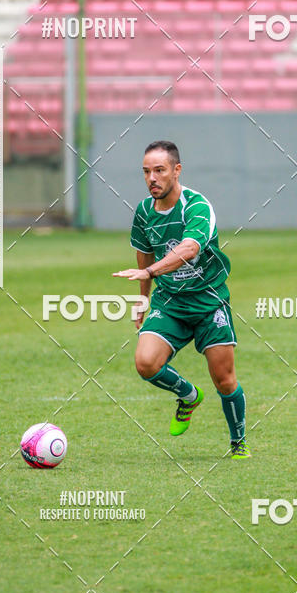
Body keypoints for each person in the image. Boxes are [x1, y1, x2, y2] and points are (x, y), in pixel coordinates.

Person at [113, 140, 250, 459]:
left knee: (225, 379)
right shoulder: (145, 211)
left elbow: (189, 249)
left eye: (159, 170)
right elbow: (144, 253)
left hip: (209, 302)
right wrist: (143, 300)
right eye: (146, 172)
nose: (152, 178)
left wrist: (150, 274)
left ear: (177, 170)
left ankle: (238, 442)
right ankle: (189, 396)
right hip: (171, 302)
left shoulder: (197, 206)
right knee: (145, 363)